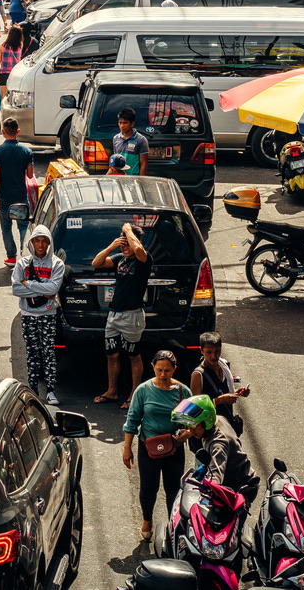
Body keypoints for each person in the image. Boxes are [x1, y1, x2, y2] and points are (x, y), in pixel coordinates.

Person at [123, 349, 189, 542]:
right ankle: (147, 519)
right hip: (147, 447)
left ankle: (173, 525)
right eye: (159, 370)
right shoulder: (143, 390)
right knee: (148, 487)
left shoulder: (182, 391)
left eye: (167, 371)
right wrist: (127, 448)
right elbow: (132, 420)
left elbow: (191, 422)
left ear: (174, 370)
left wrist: (187, 433)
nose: (162, 375)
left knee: (174, 489)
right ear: (152, 367)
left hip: (174, 448)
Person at [94, 222, 152, 403]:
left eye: (128, 243)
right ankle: (112, 391)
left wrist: (128, 230)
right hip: (114, 315)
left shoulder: (144, 259)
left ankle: (134, 394)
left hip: (132, 316)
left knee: (133, 355)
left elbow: (139, 250)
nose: (125, 247)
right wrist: (112, 246)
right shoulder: (120, 259)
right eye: (123, 243)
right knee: (112, 354)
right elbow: (96, 262)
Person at [11, 226, 66, 403]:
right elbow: (16, 288)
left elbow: (53, 289)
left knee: (48, 352)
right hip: (27, 314)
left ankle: (50, 391)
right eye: (37, 240)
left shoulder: (57, 264)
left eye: (44, 241)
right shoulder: (22, 264)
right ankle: (32, 390)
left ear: (49, 243)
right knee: (32, 353)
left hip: (48, 314)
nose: (40, 245)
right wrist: (42, 291)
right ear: (32, 242)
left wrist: (28, 283)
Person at [173, 391, 253, 497]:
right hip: (232, 476)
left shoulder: (218, 444)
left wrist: (205, 489)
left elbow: (215, 479)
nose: (190, 430)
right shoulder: (218, 419)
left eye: (193, 425)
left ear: (206, 422)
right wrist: (206, 466)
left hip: (241, 486)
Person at [0, 118, 36, 263]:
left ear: (3, 131)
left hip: (4, 195)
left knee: (6, 227)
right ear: (18, 131)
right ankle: (26, 256)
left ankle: (11, 256)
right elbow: (29, 174)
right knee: (23, 226)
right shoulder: (26, 151)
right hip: (21, 195)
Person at [190, 331, 248, 434]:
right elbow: (195, 408)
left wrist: (237, 392)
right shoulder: (198, 375)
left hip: (227, 426)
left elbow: (224, 391)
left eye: (217, 351)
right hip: (209, 431)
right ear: (201, 351)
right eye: (209, 352)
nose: (213, 356)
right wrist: (219, 401)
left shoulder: (224, 366)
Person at [111, 110, 150, 175]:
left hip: (134, 179)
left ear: (132, 124)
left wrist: (141, 180)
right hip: (120, 178)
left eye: (125, 123)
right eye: (120, 123)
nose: (122, 126)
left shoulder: (141, 140)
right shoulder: (116, 139)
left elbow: (143, 164)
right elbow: (116, 161)